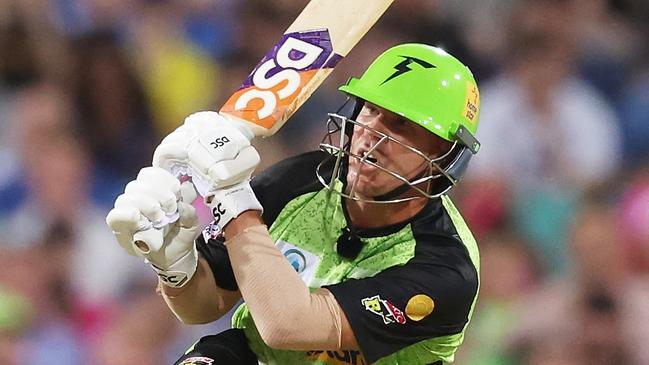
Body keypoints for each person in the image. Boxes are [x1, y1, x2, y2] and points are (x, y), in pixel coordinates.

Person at [107, 43, 482, 365]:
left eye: (401, 126)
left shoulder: (445, 269)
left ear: (446, 156)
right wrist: (175, 265)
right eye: (370, 110)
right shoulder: (302, 181)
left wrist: (233, 200)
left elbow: (289, 325)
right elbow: (202, 308)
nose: (371, 135)